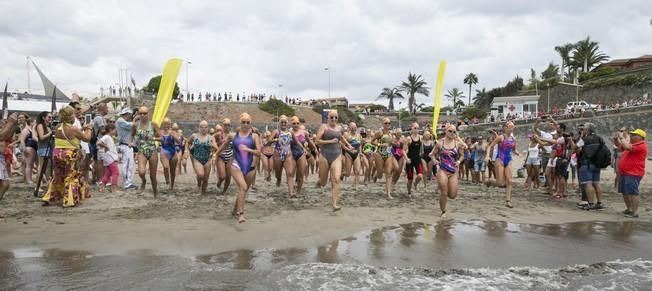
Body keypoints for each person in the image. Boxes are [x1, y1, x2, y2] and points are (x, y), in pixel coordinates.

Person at [41, 106, 92, 207]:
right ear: (69, 116)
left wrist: (82, 129)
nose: (74, 117)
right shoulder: (73, 128)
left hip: (57, 154)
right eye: (73, 114)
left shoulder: (58, 127)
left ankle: (49, 197)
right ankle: (68, 200)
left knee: (58, 175)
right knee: (71, 176)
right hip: (69, 155)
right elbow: (87, 138)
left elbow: (69, 136)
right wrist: (89, 128)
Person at [217, 113, 261, 223]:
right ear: (240, 123)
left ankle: (234, 210)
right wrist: (216, 154)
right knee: (243, 186)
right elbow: (224, 145)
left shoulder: (254, 136)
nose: (245, 124)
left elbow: (259, 153)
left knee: (243, 190)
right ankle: (241, 214)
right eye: (243, 122)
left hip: (250, 166)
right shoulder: (233, 135)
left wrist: (248, 150)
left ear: (251, 124)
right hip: (236, 164)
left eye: (248, 122)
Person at [316, 110, 353, 211]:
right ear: (328, 118)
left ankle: (334, 204)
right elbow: (317, 141)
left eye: (335, 117)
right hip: (324, 155)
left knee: (336, 179)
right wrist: (330, 141)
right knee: (324, 182)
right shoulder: (324, 127)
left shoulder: (339, 128)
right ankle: (320, 182)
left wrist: (348, 145)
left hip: (336, 155)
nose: (334, 119)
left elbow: (341, 137)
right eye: (331, 117)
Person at [430, 124, 465, 218]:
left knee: (453, 195)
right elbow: (432, 154)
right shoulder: (440, 143)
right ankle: (443, 211)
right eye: (450, 131)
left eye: (454, 132)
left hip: (453, 171)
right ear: (446, 131)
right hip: (442, 169)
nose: (452, 133)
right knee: (444, 192)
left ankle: (445, 196)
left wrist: (458, 161)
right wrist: (434, 160)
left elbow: (462, 156)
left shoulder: (457, 143)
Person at [485, 121, 519, 208]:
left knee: (509, 181)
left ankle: (508, 201)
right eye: (510, 126)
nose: (512, 128)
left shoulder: (513, 139)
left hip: (508, 159)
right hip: (500, 159)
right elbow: (490, 146)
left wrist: (516, 152)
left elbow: (513, 149)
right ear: (505, 128)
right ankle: (490, 181)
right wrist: (487, 156)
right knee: (500, 183)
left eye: (513, 126)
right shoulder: (501, 137)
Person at [615, 129, 647, 218]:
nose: (632, 136)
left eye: (634, 135)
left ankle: (634, 212)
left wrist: (621, 137)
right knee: (625, 192)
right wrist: (616, 138)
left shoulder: (641, 145)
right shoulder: (632, 145)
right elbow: (619, 146)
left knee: (633, 192)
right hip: (625, 172)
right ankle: (629, 209)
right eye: (632, 134)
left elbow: (626, 146)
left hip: (634, 172)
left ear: (641, 137)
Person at [131, 106, 160, 197]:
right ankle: (143, 181)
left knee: (153, 176)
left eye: (145, 113)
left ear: (148, 114)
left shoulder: (153, 124)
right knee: (141, 172)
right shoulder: (135, 125)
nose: (143, 115)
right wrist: (130, 142)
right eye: (141, 113)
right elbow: (131, 135)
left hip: (152, 150)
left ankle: (155, 193)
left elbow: (162, 138)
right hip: (142, 150)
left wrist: (154, 138)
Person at [575, 122, 604, 210]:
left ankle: (590, 203)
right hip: (597, 163)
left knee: (588, 183)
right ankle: (599, 203)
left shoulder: (584, 139)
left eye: (583, 128)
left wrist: (582, 136)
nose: (582, 130)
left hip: (586, 163)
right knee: (596, 183)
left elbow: (576, 148)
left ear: (587, 129)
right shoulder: (599, 138)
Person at [271, 115, 299, 198]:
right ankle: (278, 179)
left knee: (290, 174)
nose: (283, 123)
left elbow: (296, 142)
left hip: (288, 155)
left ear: (287, 123)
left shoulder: (290, 132)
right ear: (279, 123)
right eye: (282, 122)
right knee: (278, 173)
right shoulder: (276, 131)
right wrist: (275, 139)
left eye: (285, 122)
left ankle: (291, 193)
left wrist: (303, 148)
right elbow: (268, 141)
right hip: (278, 155)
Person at [189, 120, 218, 195]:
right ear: (198, 128)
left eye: (205, 127)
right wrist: (188, 150)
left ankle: (202, 193)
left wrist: (212, 145)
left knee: (205, 179)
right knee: (200, 175)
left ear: (208, 128)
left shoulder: (211, 137)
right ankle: (199, 184)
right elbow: (188, 142)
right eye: (201, 127)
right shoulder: (194, 136)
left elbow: (217, 148)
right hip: (197, 159)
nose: (203, 128)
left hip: (207, 160)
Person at [116, 108, 136, 190]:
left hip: (126, 145)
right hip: (125, 145)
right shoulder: (120, 121)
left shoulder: (122, 121)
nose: (130, 116)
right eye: (129, 115)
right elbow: (133, 126)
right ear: (127, 114)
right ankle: (127, 183)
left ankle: (128, 182)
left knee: (129, 165)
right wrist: (135, 120)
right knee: (128, 165)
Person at [0, 113, 19, 201]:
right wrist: (10, 123)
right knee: (4, 184)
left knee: (5, 184)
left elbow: (7, 138)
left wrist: (14, 125)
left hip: (1, 158)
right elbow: (1, 137)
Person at [290, 116, 311, 194]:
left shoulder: (304, 132)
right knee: (291, 173)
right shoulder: (289, 132)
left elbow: (310, 142)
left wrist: (315, 149)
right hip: (291, 154)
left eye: (297, 123)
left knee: (301, 173)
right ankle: (291, 190)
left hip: (301, 153)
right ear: (291, 124)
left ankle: (298, 191)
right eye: (294, 123)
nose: (296, 125)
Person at [158, 118, 180, 190]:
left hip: (173, 152)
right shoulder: (160, 132)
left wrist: (173, 136)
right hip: (164, 151)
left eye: (167, 124)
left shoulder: (173, 132)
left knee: (172, 171)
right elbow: (155, 138)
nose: (166, 126)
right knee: (166, 167)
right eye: (164, 124)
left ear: (170, 125)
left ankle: (172, 185)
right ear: (162, 125)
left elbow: (179, 142)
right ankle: (167, 181)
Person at [97, 124, 119, 193]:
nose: (115, 131)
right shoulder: (106, 136)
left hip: (108, 158)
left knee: (107, 173)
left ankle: (102, 187)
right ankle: (114, 188)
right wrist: (105, 147)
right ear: (110, 130)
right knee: (116, 172)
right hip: (110, 158)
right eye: (114, 130)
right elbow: (99, 142)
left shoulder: (109, 137)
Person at [405, 123, 423, 196]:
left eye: (417, 128)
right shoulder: (409, 138)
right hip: (410, 160)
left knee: (420, 176)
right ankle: (409, 192)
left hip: (417, 159)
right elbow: (404, 150)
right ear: (411, 129)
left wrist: (421, 152)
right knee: (410, 180)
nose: (416, 130)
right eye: (415, 128)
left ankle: (415, 184)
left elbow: (421, 147)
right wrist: (406, 159)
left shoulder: (420, 137)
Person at [343, 122, 363, 191]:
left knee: (357, 171)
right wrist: (349, 149)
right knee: (348, 173)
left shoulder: (359, 135)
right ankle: (341, 175)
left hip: (356, 154)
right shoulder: (346, 135)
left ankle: (356, 186)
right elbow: (342, 145)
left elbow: (360, 145)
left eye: (355, 127)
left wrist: (360, 152)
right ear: (349, 128)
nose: (354, 128)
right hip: (349, 154)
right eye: (352, 127)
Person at [215, 118, 233, 194]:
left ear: (230, 126)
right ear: (222, 126)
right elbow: (211, 140)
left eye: (228, 125)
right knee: (223, 176)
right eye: (225, 125)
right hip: (220, 157)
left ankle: (224, 192)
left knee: (228, 177)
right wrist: (216, 149)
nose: (227, 127)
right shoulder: (219, 134)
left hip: (230, 157)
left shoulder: (233, 135)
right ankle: (219, 182)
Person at [35, 111, 53, 184]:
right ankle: (37, 185)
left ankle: (48, 183)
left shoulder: (48, 126)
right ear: (43, 118)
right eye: (49, 117)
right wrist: (50, 133)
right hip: (43, 148)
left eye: (51, 117)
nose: (50, 119)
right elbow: (41, 137)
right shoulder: (40, 125)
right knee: (41, 167)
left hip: (48, 148)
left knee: (47, 167)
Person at [19, 116, 38, 185]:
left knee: (35, 164)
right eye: (34, 122)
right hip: (29, 146)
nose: (36, 123)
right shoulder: (26, 130)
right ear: (31, 122)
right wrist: (24, 149)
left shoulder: (33, 129)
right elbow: (22, 140)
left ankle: (34, 179)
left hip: (35, 147)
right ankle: (28, 179)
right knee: (29, 164)